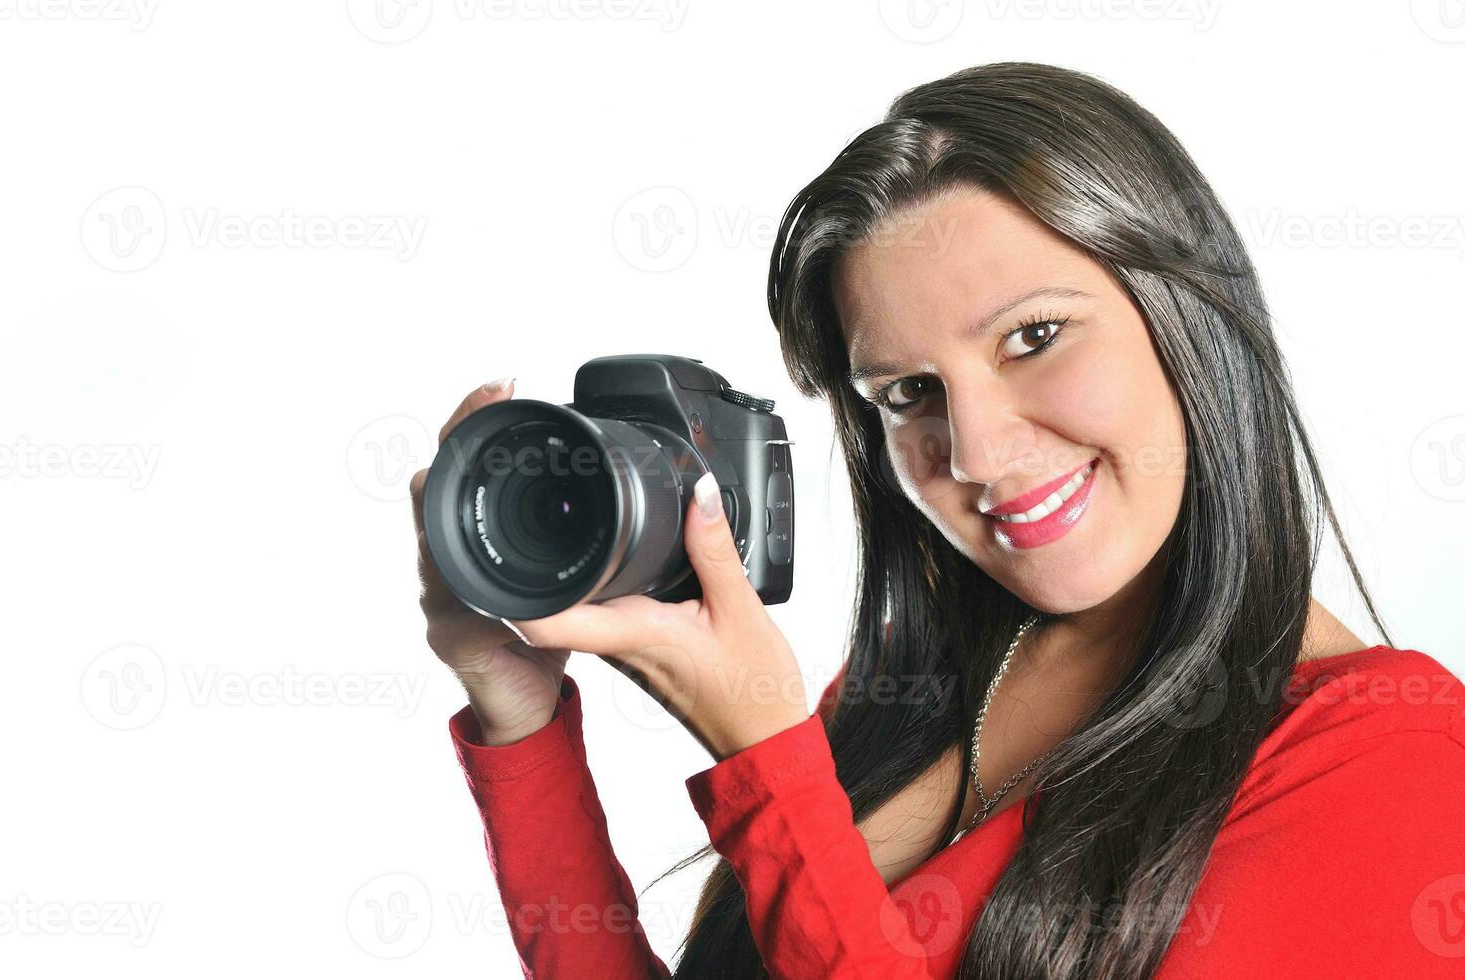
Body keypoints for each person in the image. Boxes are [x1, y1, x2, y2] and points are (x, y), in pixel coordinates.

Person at [409, 62, 1465, 978]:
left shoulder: (1392, 758)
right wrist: (524, 719)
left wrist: (768, 762)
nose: (976, 451)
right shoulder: (911, 692)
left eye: (1034, 334)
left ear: (1186, 312)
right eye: (908, 391)